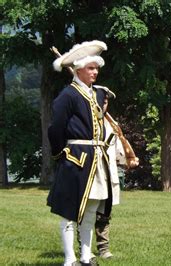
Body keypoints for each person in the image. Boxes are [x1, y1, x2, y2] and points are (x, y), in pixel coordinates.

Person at [47, 40, 111, 266]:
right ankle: (69, 258)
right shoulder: (68, 95)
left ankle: (86, 255)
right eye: (91, 68)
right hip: (76, 158)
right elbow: (55, 128)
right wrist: (60, 153)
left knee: (91, 210)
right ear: (78, 70)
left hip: (95, 158)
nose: (95, 72)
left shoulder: (96, 94)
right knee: (69, 210)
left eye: (96, 68)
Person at [93, 88, 139, 259]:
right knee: (86, 214)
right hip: (90, 173)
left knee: (104, 214)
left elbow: (118, 148)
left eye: (106, 101)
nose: (103, 104)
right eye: (101, 100)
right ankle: (84, 249)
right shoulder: (84, 120)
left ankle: (103, 249)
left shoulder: (111, 125)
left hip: (108, 173)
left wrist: (129, 159)